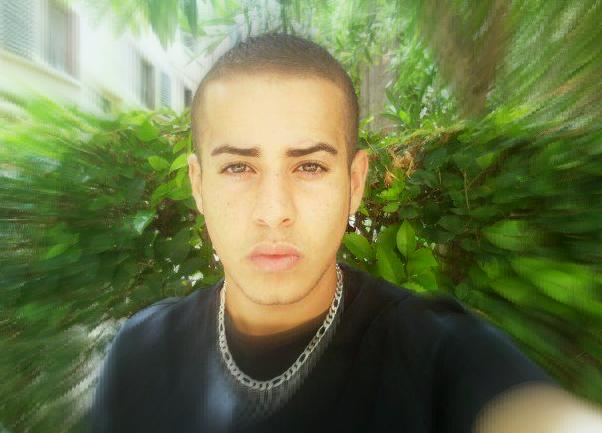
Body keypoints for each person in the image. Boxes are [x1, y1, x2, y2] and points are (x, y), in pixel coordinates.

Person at [89, 32, 602, 433]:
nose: (274, 212)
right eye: (239, 167)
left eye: (309, 166)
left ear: (354, 184)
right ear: (198, 185)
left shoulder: (433, 356)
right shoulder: (138, 353)